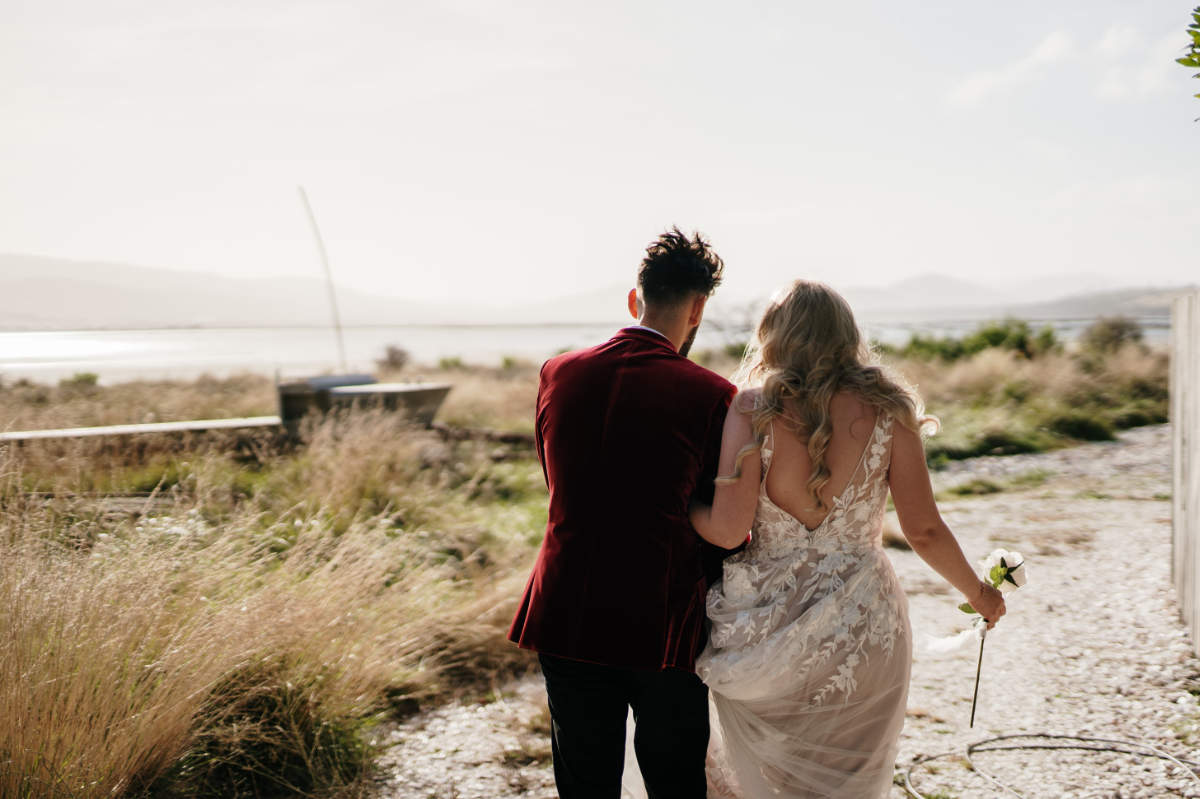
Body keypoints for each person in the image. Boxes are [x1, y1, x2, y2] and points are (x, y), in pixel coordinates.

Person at [688, 280, 1006, 798]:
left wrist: (681, 507)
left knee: (770, 779)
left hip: (766, 624)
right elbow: (923, 529)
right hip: (864, 624)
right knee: (849, 780)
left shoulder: (751, 409)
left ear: (772, 337)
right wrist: (979, 593)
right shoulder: (889, 409)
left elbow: (725, 530)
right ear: (847, 335)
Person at [508, 227, 739, 799]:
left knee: (583, 781)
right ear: (698, 309)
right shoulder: (712, 393)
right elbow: (714, 519)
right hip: (662, 619)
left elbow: (558, 482)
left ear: (635, 300)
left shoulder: (556, 372)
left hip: (564, 608)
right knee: (674, 780)